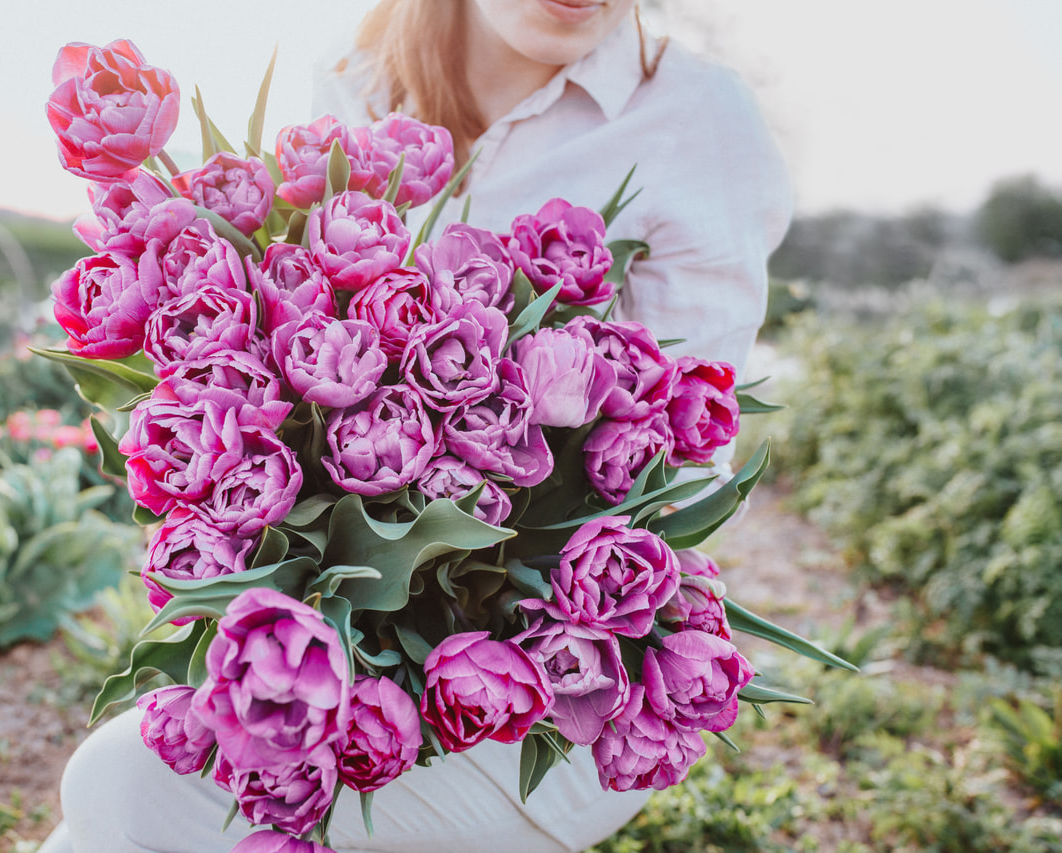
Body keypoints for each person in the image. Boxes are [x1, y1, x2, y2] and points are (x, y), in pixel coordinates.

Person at [40, 2, 791, 851]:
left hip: (562, 686)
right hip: (352, 657)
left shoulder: (696, 117)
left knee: (113, 790)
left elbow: (689, 464)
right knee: (97, 825)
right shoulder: (357, 82)